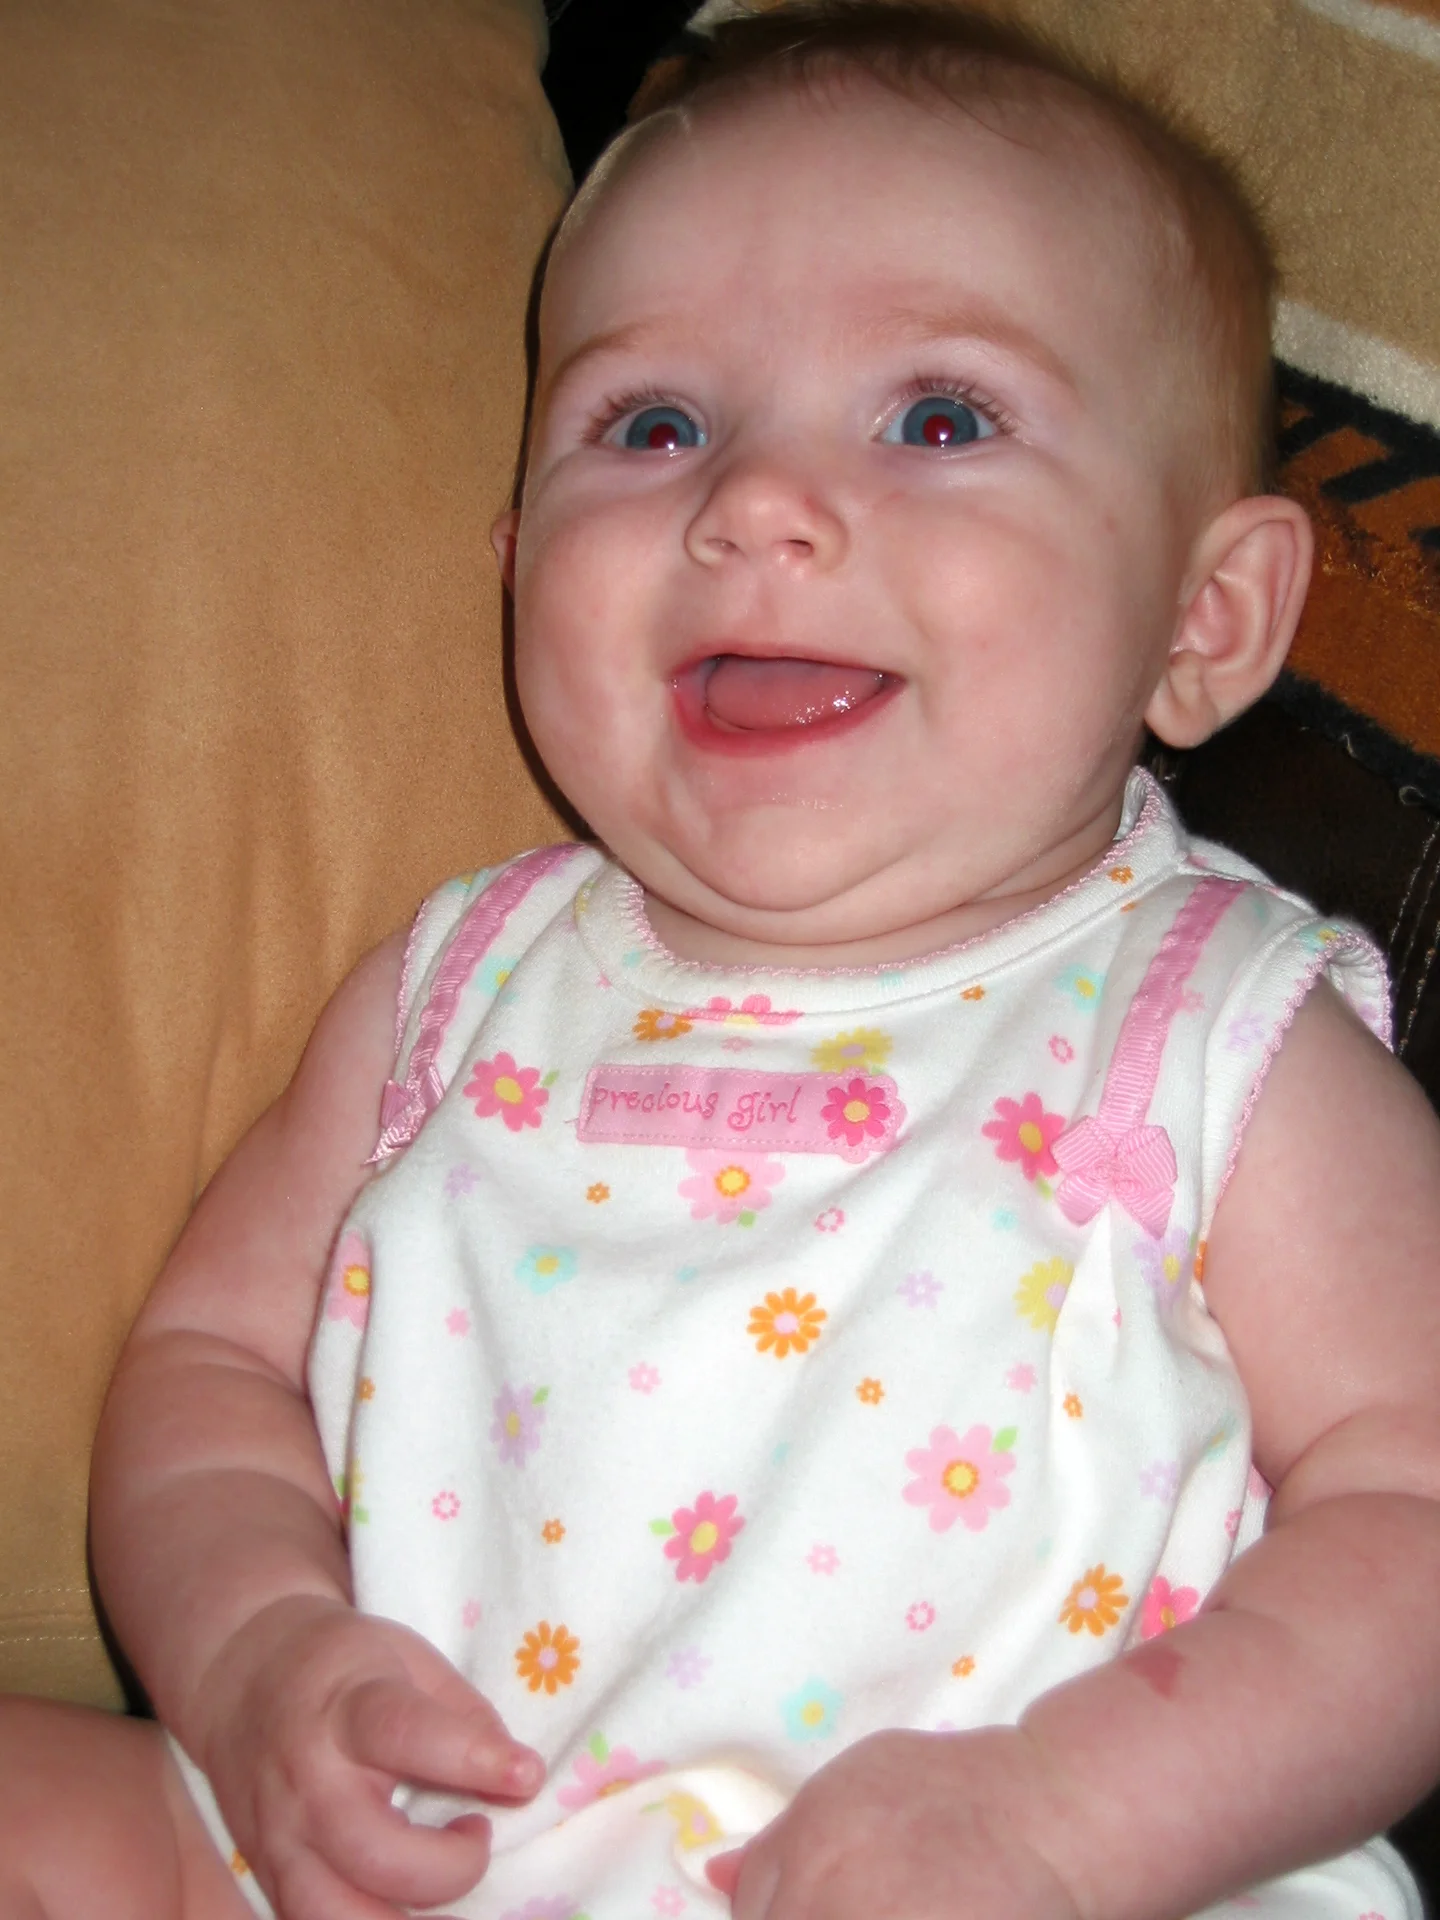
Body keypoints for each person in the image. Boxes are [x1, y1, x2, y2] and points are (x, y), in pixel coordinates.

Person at [5, 5, 1440, 1917]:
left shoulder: (1215, 1033)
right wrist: (258, 1650)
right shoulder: (461, 986)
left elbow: (1414, 1502)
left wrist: (1070, 1819)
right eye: (654, 426)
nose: (753, 501)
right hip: (398, 1857)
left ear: (1206, 615)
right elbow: (206, 1366)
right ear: (520, 563)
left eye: (940, 419)